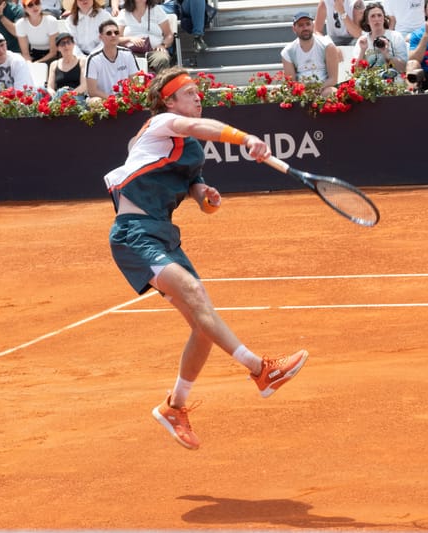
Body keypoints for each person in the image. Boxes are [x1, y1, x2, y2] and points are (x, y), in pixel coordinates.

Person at [103, 66, 309, 451]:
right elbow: (204, 128)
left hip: (163, 233)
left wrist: (205, 197)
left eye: (200, 93)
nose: (198, 97)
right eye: (190, 92)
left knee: (203, 325)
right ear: (169, 100)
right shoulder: (163, 122)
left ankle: (174, 408)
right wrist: (246, 139)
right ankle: (261, 370)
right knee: (196, 296)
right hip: (135, 233)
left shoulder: (190, 150)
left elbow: (192, 186)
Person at [280, 11, 339, 95]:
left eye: (308, 24)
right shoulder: (288, 52)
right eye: (300, 25)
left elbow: (333, 79)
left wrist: (318, 89)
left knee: (332, 92)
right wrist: (305, 92)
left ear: (313, 25)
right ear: (294, 29)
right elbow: (291, 83)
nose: (305, 28)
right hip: (301, 93)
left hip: (324, 89)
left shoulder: (327, 45)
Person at [85, 19, 138, 99]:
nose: (113, 35)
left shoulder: (128, 54)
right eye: (109, 33)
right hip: (103, 99)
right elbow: (92, 91)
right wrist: (113, 100)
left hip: (125, 99)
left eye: (116, 33)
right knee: (96, 101)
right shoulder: (93, 58)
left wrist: (124, 100)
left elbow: (135, 82)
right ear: (100, 37)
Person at [117, 0, 172, 73]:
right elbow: (116, 38)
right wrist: (130, 39)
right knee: (124, 61)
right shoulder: (124, 13)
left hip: (154, 50)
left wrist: (163, 45)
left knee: (162, 59)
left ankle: (161, 84)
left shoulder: (156, 10)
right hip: (130, 52)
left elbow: (169, 34)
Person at [355, 2, 408, 76]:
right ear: (367, 21)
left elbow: (403, 68)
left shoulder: (396, 36)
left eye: (379, 15)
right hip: (370, 81)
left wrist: (386, 54)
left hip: (393, 79)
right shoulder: (362, 41)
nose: (377, 19)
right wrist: (362, 50)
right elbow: (356, 73)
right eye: (372, 16)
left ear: (384, 18)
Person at [15, 0, 64, 64]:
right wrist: (30, 63)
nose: (35, 6)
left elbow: (53, 52)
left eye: (37, 3)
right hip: (34, 54)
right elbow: (25, 53)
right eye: (30, 5)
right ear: (25, 9)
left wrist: (37, 63)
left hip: (53, 56)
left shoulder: (51, 21)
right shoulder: (20, 24)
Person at [46, 31, 86, 97]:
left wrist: (68, 95)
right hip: (59, 97)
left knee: (62, 92)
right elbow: (50, 87)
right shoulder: (54, 64)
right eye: (62, 44)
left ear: (73, 44)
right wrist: (54, 95)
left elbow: (84, 85)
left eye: (68, 42)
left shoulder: (82, 61)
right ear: (58, 48)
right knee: (41, 90)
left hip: (76, 96)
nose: (66, 46)